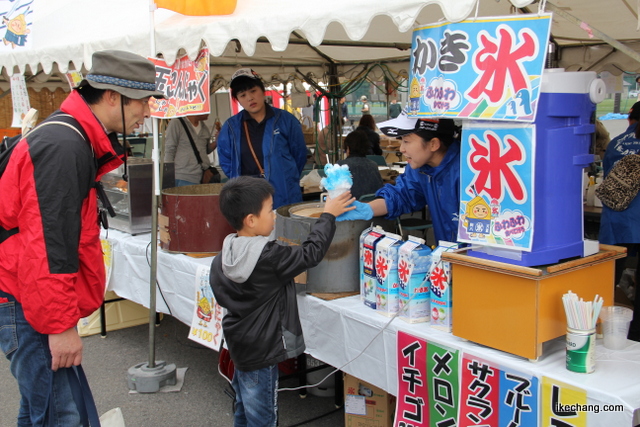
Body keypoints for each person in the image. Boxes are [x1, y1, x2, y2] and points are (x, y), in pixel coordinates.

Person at [0, 49, 163, 425]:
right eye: (142, 101)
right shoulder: (64, 145)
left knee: (42, 409)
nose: (147, 111)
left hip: (26, 297)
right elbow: (48, 245)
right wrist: (59, 327)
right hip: (28, 303)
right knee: (60, 415)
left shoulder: (70, 137)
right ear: (112, 97)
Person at [209, 176, 354, 427]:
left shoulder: (223, 255)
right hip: (262, 352)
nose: (275, 215)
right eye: (269, 210)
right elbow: (311, 252)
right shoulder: (269, 258)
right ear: (251, 220)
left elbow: (222, 291)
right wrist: (328, 214)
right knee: (263, 418)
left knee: (244, 409)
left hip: (239, 345)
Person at [340, 111, 461, 244]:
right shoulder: (420, 169)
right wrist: (366, 209)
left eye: (407, 141)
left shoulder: (466, 171)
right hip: (447, 254)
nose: (402, 148)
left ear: (433, 144)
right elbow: (402, 195)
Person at [218, 68, 308, 208]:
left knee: (285, 228)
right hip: (248, 197)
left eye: (253, 91)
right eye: (242, 95)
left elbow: (299, 155)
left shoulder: (286, 120)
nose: (250, 98)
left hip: (283, 194)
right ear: (238, 101)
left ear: (263, 90)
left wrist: (285, 177)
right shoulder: (231, 127)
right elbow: (226, 162)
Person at [599, 101, 640, 342]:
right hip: (635, 216)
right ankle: (634, 333)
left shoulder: (616, 143)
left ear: (629, 118)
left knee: (610, 274)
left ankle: (605, 324)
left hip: (616, 218)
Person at [164, 113, 219, 186]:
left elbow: (205, 150)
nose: (208, 112)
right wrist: (167, 176)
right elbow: (169, 150)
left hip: (202, 177)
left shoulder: (204, 127)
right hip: (182, 177)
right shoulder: (176, 123)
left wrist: (217, 141)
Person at [337, 130, 384, 199]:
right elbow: (380, 189)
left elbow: (329, 191)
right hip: (372, 207)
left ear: (348, 148)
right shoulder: (373, 165)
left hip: (349, 207)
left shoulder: (341, 166)